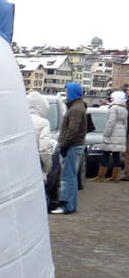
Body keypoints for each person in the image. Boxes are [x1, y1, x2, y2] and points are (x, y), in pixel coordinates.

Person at [51, 82, 89, 214]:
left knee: (67, 178)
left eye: (67, 91)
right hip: (75, 146)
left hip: (72, 147)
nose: (66, 94)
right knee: (72, 176)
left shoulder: (75, 109)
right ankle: (71, 205)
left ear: (72, 92)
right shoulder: (78, 106)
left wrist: (64, 144)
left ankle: (66, 205)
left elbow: (72, 130)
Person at [91, 90, 127, 182]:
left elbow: (111, 122)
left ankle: (100, 176)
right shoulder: (124, 109)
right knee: (116, 156)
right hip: (120, 133)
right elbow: (124, 123)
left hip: (112, 134)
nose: (111, 99)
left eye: (112, 98)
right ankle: (115, 177)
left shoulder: (113, 108)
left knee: (105, 154)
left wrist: (106, 135)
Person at [27, 91, 55, 181]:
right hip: (35, 164)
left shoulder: (19, 120)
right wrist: (47, 168)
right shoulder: (43, 123)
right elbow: (44, 149)